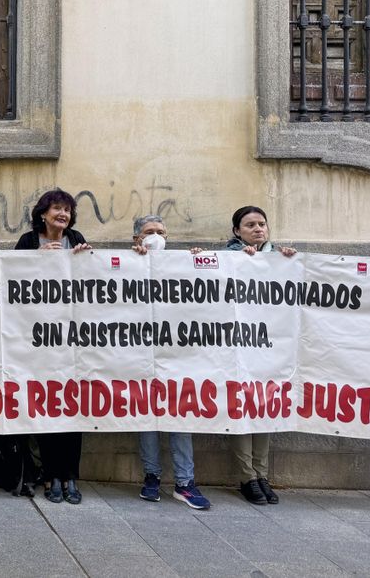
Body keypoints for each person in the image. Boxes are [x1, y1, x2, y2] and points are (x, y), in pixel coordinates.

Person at [130, 214, 211, 511]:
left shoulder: (181, 262)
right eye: (149, 232)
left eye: (161, 232)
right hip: (140, 353)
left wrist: (196, 261)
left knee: (180, 416)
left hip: (178, 355)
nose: (156, 236)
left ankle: (184, 482)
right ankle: (151, 476)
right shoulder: (128, 262)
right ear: (137, 238)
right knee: (147, 418)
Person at [17, 188, 90, 504]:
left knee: (73, 409)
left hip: (71, 340)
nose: (63, 214)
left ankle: (70, 475)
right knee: (46, 408)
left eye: (67, 210)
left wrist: (86, 258)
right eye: (57, 208)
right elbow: (12, 279)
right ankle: (50, 476)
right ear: (43, 214)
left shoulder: (76, 239)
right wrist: (38, 258)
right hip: (38, 342)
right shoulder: (28, 241)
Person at [223, 205, 295, 505]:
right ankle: (247, 477)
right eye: (250, 225)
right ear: (237, 231)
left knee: (265, 408)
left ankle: (262, 475)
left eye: (261, 224)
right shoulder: (227, 258)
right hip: (237, 348)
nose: (257, 229)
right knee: (242, 410)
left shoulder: (279, 258)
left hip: (268, 350)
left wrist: (288, 261)